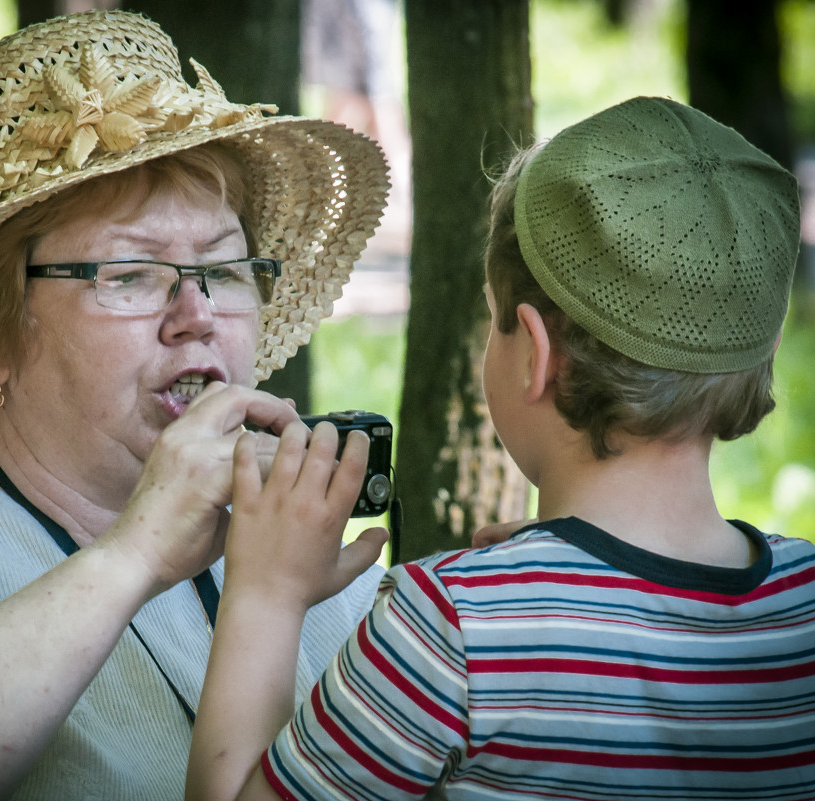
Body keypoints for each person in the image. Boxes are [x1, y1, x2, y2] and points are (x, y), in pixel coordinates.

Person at [0, 10, 390, 800]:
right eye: (130, 275)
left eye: (225, 269)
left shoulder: (299, 549)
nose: (196, 312)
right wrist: (136, 554)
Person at [186, 96, 815, 800]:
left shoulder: (452, 630)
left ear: (535, 357)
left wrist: (268, 593)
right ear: (758, 356)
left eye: (494, 321)